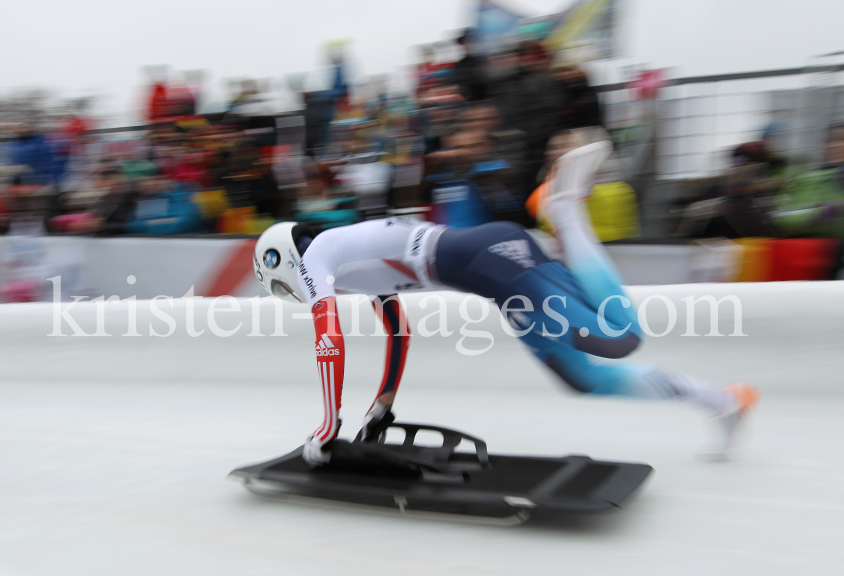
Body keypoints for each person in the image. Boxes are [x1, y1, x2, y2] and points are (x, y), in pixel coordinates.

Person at [253, 141, 760, 468]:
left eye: (278, 286)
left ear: (282, 260)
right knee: (584, 375)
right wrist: (383, 402)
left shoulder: (318, 255)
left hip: (494, 263)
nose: (288, 294)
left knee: (617, 337)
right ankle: (724, 400)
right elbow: (397, 332)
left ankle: (563, 209)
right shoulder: (353, 269)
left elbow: (328, 340)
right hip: (495, 267)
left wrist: (327, 425)